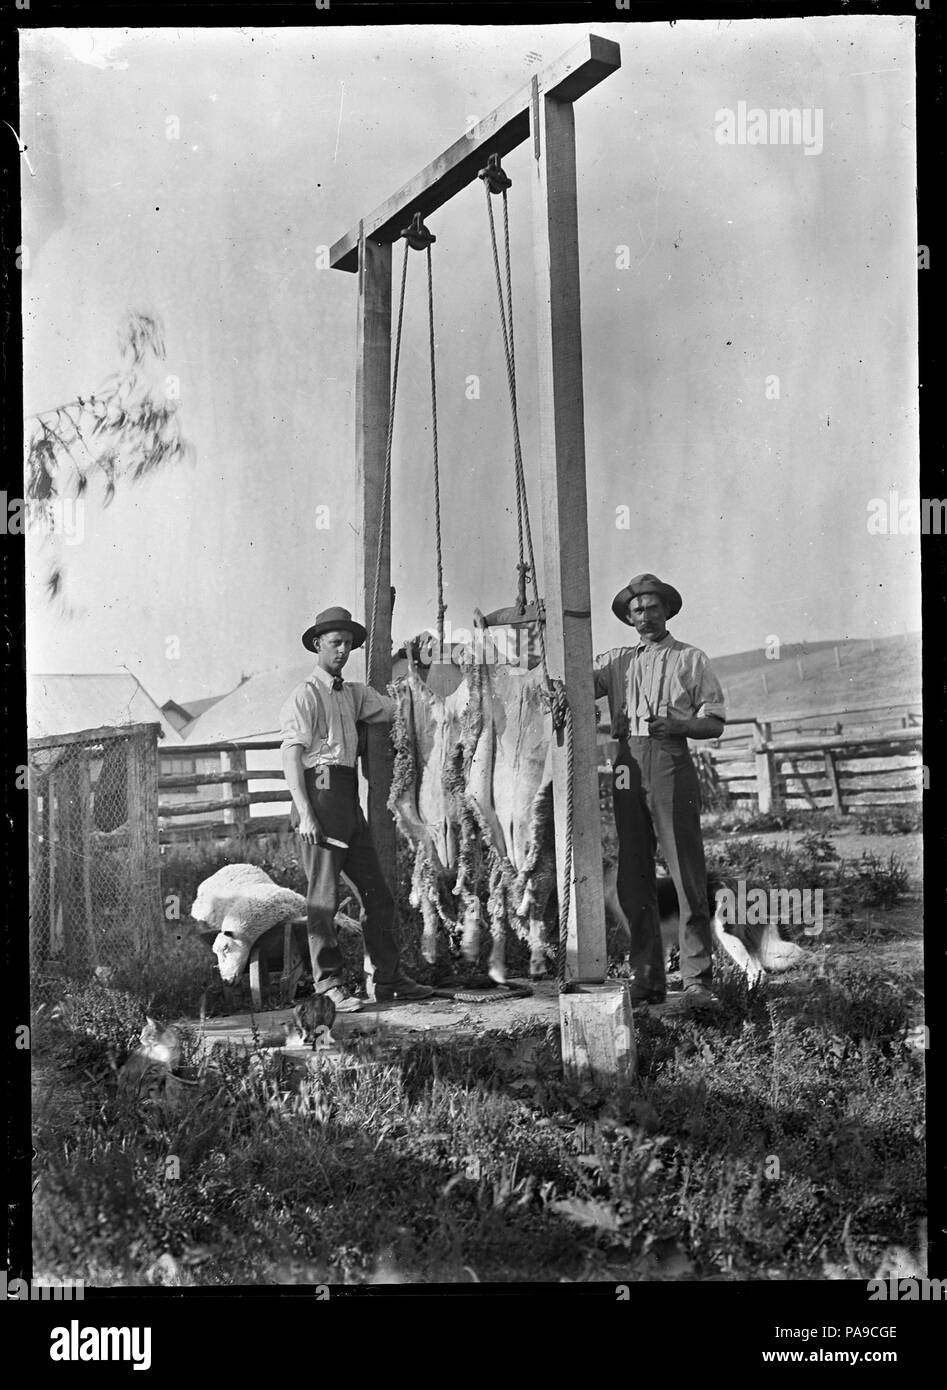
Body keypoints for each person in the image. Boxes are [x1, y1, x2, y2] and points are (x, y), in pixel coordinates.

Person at [280, 605, 433, 1011]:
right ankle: (328, 984)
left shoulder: (354, 695)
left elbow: (396, 706)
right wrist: (307, 813)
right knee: (323, 899)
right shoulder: (304, 696)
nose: (342, 650)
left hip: (347, 798)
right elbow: (292, 758)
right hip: (319, 793)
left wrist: (421, 671)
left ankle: (388, 979)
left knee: (378, 896)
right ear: (318, 645)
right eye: (335, 643)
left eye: (348, 644)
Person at [593, 575, 726, 1010]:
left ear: (666, 610)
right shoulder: (614, 662)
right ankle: (646, 977)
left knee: (685, 871)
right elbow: (570, 682)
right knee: (633, 874)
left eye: (652, 608)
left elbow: (715, 721)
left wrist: (680, 726)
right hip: (626, 764)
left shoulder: (691, 659)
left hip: (670, 760)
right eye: (637, 611)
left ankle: (696, 978)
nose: (645, 616)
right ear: (628, 619)